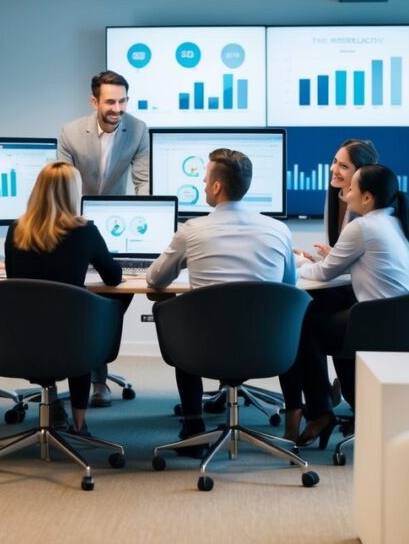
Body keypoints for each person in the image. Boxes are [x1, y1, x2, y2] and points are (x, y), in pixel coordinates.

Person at [146, 148, 296, 456]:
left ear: (216, 187)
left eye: (204, 180)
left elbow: (154, 280)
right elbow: (289, 286)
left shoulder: (191, 231)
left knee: (174, 315)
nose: (202, 184)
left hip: (202, 352)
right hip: (267, 347)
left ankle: (193, 425)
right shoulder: (279, 230)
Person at [285, 164, 409, 448]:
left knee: (301, 322)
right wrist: (320, 263)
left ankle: (320, 410)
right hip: (406, 322)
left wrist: (294, 263)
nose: (344, 192)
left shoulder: (362, 227)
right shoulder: (397, 222)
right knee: (316, 314)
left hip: (379, 325)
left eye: (351, 187)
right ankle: (324, 405)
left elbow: (324, 274)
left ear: (367, 198)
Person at [3, 161, 124, 436]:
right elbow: (114, 278)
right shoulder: (85, 231)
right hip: (74, 341)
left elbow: (12, 281)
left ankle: (53, 402)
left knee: (62, 327)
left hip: (21, 338)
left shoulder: (16, 231)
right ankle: (80, 424)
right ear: (73, 193)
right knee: (81, 330)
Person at [58, 70, 148, 406]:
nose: (118, 108)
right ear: (94, 101)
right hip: (76, 224)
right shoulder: (70, 132)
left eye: (123, 100)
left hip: (118, 226)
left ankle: (98, 374)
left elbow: (143, 183)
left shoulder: (137, 129)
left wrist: (145, 227)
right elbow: (63, 184)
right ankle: (87, 373)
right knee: (78, 295)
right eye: (110, 101)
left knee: (113, 293)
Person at [279, 139, 378, 434]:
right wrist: (327, 257)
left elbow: (341, 263)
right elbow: (344, 254)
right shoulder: (337, 196)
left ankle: (313, 407)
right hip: (349, 286)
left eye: (344, 166)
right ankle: (320, 402)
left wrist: (301, 264)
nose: (334, 169)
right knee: (304, 311)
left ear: (362, 174)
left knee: (300, 316)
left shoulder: (365, 213)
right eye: (334, 161)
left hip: (364, 298)